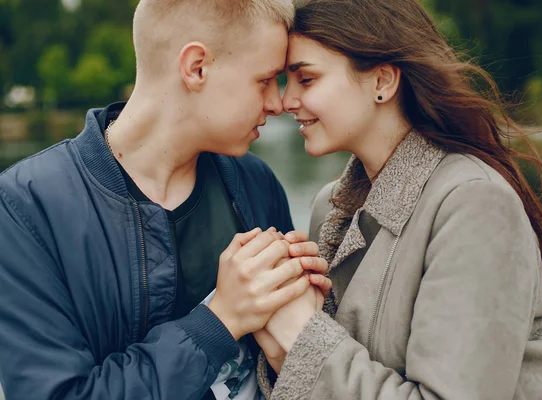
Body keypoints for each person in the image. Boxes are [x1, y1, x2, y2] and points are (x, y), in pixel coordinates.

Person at [0, 1, 331, 399]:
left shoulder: (255, 184)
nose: (277, 103)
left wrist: (303, 329)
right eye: (265, 80)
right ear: (196, 68)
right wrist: (219, 322)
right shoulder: (25, 207)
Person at [254, 0, 542, 399]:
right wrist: (278, 343)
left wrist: (301, 337)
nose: (287, 101)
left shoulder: (474, 203)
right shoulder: (332, 209)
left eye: (306, 80)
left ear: (382, 82)